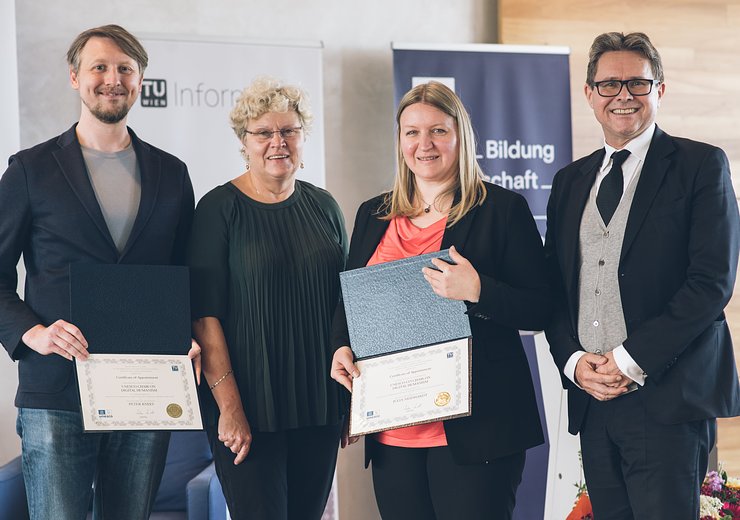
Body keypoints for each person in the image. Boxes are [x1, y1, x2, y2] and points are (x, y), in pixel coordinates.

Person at [0, 25, 198, 520]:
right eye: (100, 67)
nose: (113, 79)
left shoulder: (171, 173)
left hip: (146, 386)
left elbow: (185, 273)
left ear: (140, 80)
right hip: (57, 389)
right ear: (74, 77)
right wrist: (33, 333)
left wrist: (189, 331)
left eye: (125, 68)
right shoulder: (30, 169)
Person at [330, 81, 552, 520]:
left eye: (437, 131)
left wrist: (478, 291)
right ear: (399, 141)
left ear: (460, 136)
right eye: (411, 132)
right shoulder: (372, 214)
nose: (423, 144)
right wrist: (340, 346)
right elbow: (352, 302)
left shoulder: (501, 209)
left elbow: (542, 306)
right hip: (393, 432)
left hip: (477, 433)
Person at [544, 31, 740, 519]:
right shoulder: (570, 181)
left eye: (637, 83)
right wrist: (572, 361)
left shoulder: (700, 165)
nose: (623, 96)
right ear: (589, 94)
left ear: (660, 90)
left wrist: (629, 360)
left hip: (668, 400)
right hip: (594, 402)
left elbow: (710, 283)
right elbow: (553, 291)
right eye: (609, 84)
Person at [188, 76, 347, 520]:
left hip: (319, 404)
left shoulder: (325, 207)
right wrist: (230, 409)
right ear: (245, 141)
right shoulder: (218, 209)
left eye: (288, 131)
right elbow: (205, 318)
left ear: (302, 137)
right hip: (250, 409)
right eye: (263, 132)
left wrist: (352, 401)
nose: (277, 142)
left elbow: (348, 306)